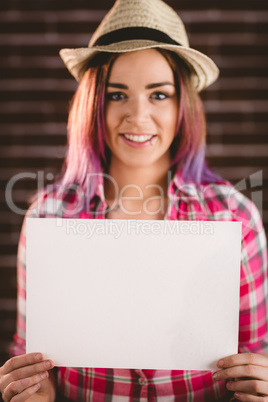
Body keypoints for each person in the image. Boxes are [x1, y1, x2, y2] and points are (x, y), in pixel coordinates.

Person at [0, 0, 267, 400]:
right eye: (116, 95)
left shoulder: (233, 215)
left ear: (182, 107)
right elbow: (34, 357)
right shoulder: (49, 214)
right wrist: (34, 389)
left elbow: (255, 353)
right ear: (93, 103)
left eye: (158, 95)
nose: (138, 116)